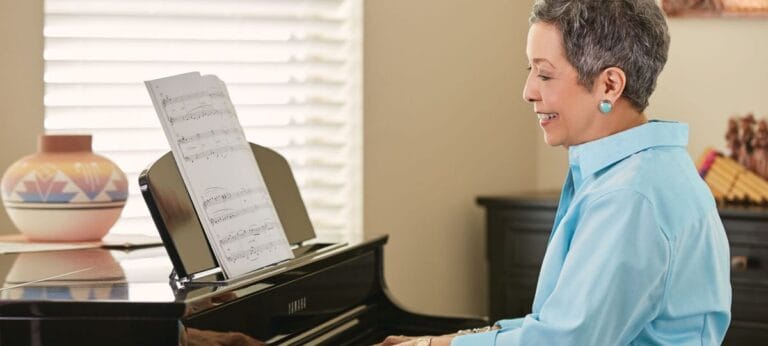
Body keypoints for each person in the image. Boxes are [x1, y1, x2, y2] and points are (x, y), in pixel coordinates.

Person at [378, 0, 732, 345]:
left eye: (545, 73)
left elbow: (563, 340)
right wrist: (449, 340)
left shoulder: (629, 197)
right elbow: (559, 324)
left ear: (609, 85)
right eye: (529, 71)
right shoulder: (647, 169)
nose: (528, 91)